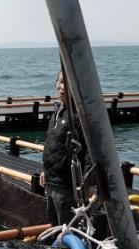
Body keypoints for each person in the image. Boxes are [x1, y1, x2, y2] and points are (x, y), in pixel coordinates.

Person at [40, 71, 89, 225]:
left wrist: (88, 184)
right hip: (51, 182)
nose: (62, 87)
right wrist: (45, 171)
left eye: (68, 84)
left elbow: (90, 152)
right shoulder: (58, 111)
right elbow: (53, 146)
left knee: (68, 229)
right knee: (55, 227)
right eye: (61, 81)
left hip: (67, 186)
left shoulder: (78, 115)